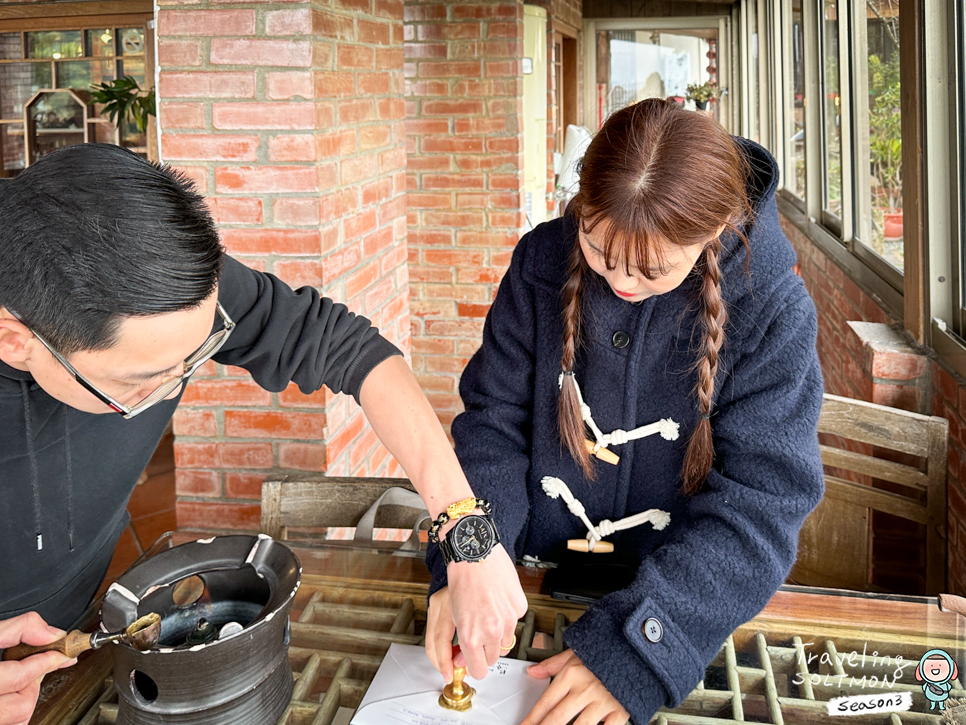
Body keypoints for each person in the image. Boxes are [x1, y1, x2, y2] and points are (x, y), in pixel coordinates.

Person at [0, 143, 526, 725]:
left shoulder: (142, 271)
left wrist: (465, 531)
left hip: (77, 625)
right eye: (145, 381)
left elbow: (353, 352)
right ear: (16, 340)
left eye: (192, 359)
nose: (174, 390)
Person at [424, 98, 825, 725]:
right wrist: (470, 557)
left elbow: (760, 505)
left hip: (685, 607)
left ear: (713, 231)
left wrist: (637, 654)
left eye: (653, 269)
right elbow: (492, 422)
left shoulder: (773, 309)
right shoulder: (539, 263)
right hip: (527, 579)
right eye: (598, 249)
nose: (622, 284)